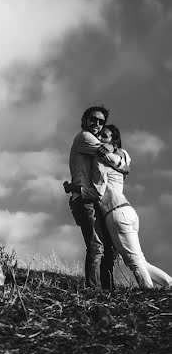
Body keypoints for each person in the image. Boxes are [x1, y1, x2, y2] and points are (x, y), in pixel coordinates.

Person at [93, 124, 172, 289]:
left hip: (117, 213)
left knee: (134, 262)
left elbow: (122, 157)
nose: (100, 139)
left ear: (114, 141)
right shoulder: (111, 158)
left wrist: (111, 148)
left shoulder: (106, 158)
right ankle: (169, 284)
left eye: (105, 136)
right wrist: (110, 146)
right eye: (99, 136)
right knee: (139, 260)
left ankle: (148, 293)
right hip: (125, 212)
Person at [67, 105, 116, 290]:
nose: (96, 124)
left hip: (90, 198)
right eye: (93, 119)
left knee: (104, 246)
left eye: (101, 122)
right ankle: (92, 289)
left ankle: (106, 288)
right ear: (85, 120)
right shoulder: (84, 137)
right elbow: (110, 158)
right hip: (84, 199)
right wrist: (113, 146)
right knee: (96, 246)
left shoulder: (91, 139)